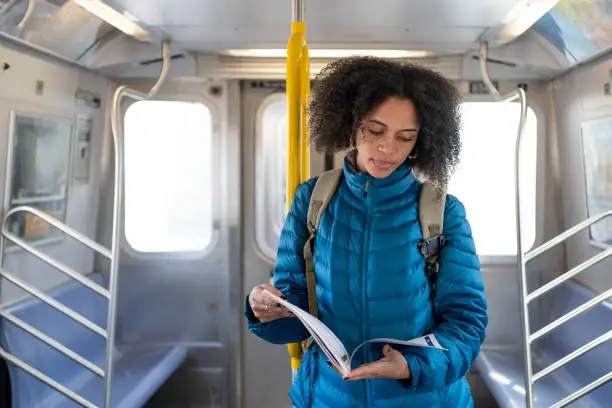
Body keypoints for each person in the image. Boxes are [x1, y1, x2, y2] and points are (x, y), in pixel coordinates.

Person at [245, 56, 488, 408]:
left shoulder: (442, 212)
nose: (388, 148)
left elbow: (467, 322)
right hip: (329, 397)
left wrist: (411, 366)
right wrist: (265, 309)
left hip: (423, 400)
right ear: (351, 122)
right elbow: (294, 310)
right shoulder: (312, 201)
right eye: (375, 131)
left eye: (405, 138)